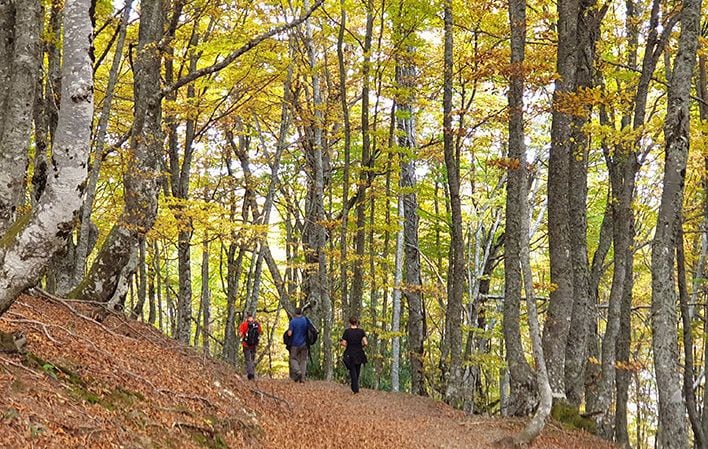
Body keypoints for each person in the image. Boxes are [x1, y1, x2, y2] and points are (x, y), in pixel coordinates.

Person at [340, 317, 368, 393]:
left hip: (350, 353)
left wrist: (341, 342)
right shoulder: (361, 331)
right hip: (359, 352)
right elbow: (366, 343)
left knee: (352, 370)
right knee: (357, 370)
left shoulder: (347, 332)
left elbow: (344, 343)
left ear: (350, 323)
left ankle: (355, 388)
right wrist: (361, 346)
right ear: (357, 323)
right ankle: (355, 387)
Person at [287, 308, 309, 383]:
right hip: (304, 344)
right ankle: (302, 378)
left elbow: (289, 333)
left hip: (295, 344)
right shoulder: (305, 320)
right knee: (303, 360)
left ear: (295, 313)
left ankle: (298, 371)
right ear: (301, 312)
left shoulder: (293, 321)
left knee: (293, 358)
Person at [239, 313, 261, 380]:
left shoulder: (244, 324)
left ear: (246, 317)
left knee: (248, 359)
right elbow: (259, 332)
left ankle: (250, 375)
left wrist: (241, 336)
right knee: (252, 359)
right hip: (254, 345)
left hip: (246, 344)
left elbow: (240, 334)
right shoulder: (257, 324)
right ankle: (252, 373)